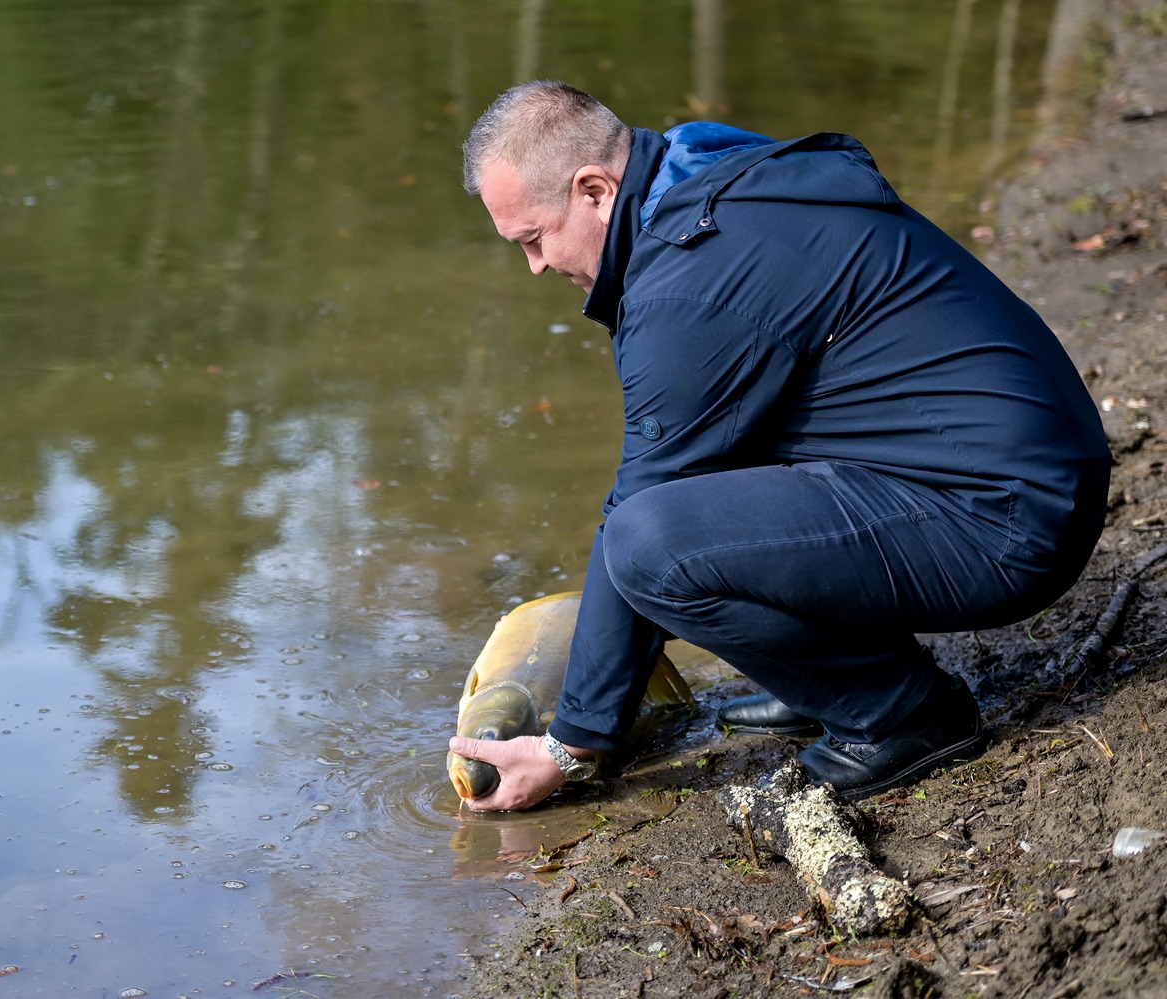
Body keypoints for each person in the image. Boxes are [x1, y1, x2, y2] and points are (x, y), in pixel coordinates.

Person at [446, 81, 1111, 811]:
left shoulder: (688, 282)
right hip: (1028, 464)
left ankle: (899, 713)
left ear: (596, 190)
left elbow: (638, 520)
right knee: (722, 443)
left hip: (1006, 518)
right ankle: (826, 677)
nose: (535, 267)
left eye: (534, 239)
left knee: (647, 543)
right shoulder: (704, 161)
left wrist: (569, 746)